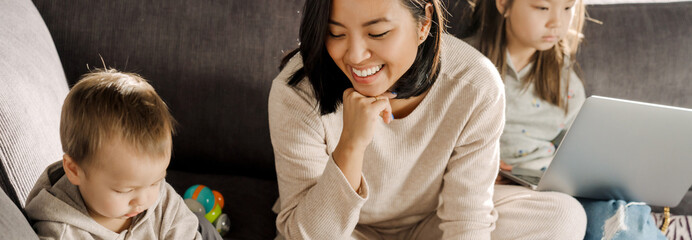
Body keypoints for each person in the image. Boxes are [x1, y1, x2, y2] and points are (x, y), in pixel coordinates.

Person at [268, 0, 585, 239]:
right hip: (346, 230)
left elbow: (467, 219)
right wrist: (350, 145)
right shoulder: (297, 91)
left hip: (431, 225)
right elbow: (305, 234)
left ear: (424, 23)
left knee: (564, 216)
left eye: (377, 33)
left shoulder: (475, 84)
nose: (354, 55)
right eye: (335, 33)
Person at [463, 0, 665, 239]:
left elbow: (578, 150)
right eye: (542, 8)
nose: (556, 23)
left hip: (553, 183)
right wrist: (481, 167)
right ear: (503, 4)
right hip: (502, 187)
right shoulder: (464, 64)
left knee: (620, 210)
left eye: (568, 8)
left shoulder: (565, 79)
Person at [24, 69, 221, 239]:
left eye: (155, 182)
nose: (144, 200)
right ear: (74, 171)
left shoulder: (160, 200)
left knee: (201, 225)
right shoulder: (62, 232)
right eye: (124, 190)